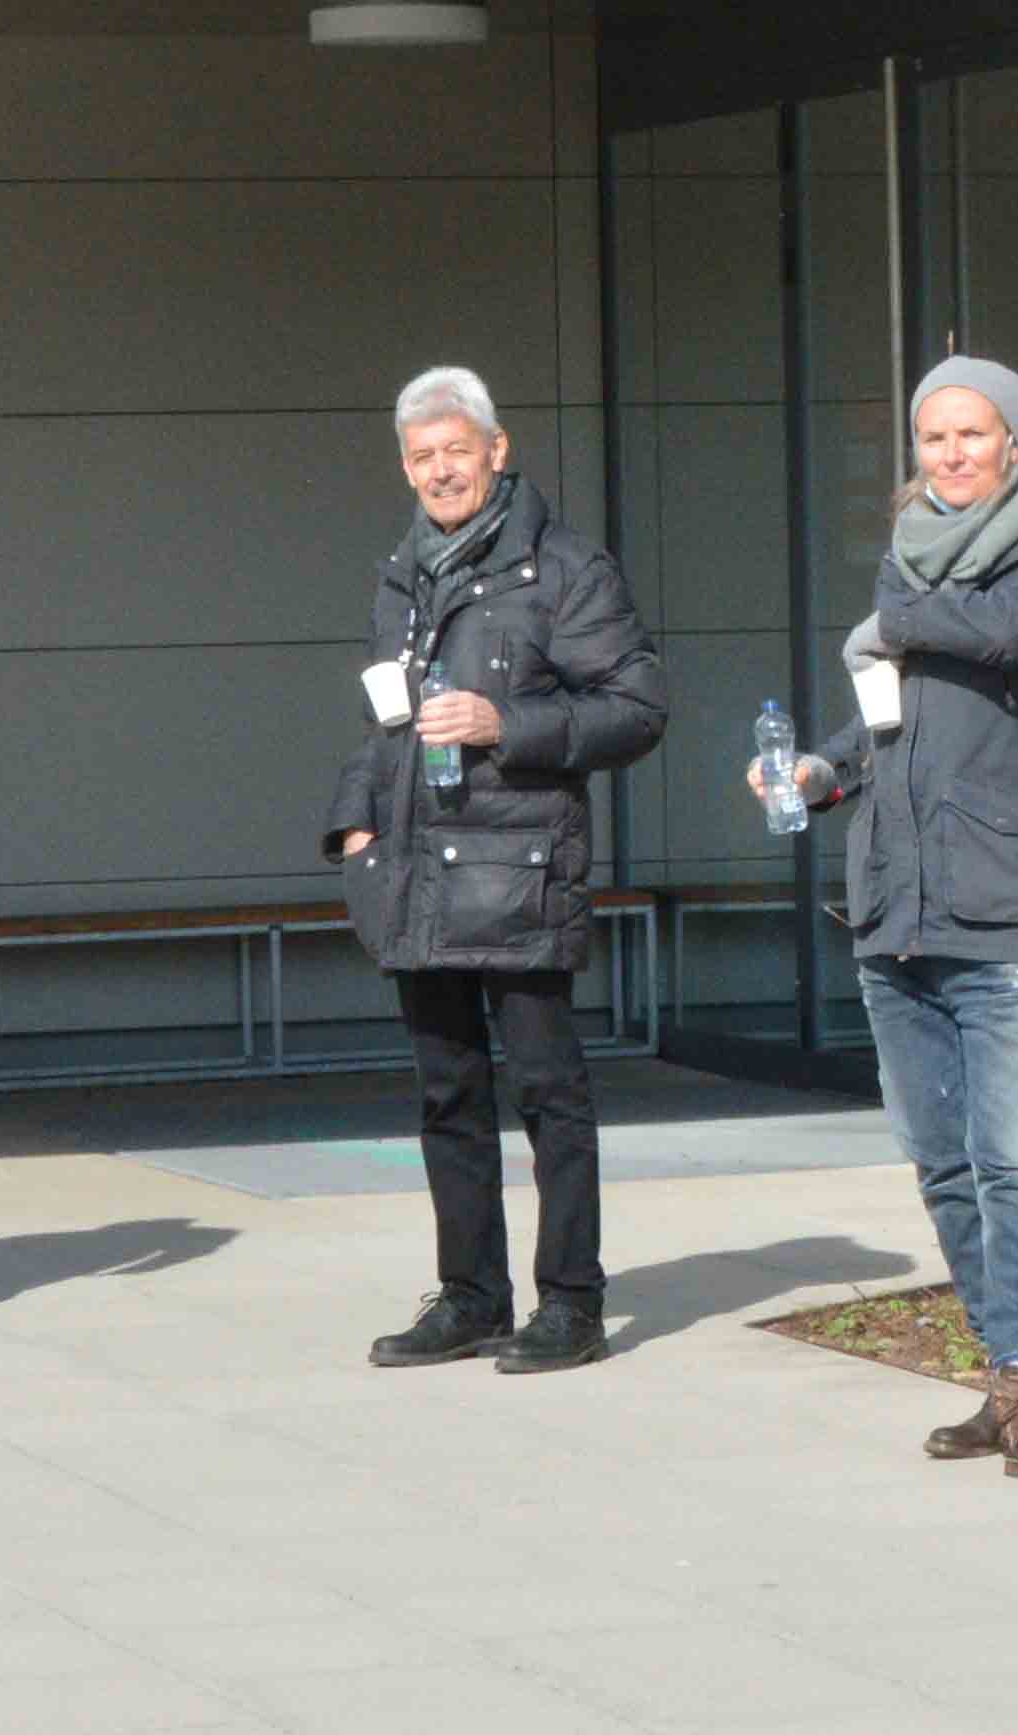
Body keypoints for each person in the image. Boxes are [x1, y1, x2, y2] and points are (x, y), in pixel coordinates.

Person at [763, 355, 1018, 1485]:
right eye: (934, 439)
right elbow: (895, 722)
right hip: (898, 912)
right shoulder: (909, 577)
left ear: (1012, 441)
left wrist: (898, 617)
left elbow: (1005, 637)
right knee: (944, 1167)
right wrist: (823, 770)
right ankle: (1008, 1377)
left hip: (1009, 908)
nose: (953, 456)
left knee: (1016, 1166)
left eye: (973, 435)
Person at [327, 367, 664, 1374]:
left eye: (456, 451)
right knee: (447, 1093)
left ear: (497, 450)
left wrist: (506, 724)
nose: (441, 471)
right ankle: (471, 1296)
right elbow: (387, 720)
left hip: (519, 868)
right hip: (418, 869)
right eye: (422, 457)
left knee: (549, 1090)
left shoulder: (566, 569)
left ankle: (571, 1302)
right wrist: (353, 823)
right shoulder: (406, 574)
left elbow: (638, 709)